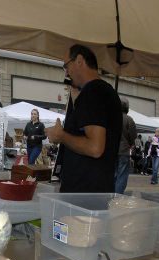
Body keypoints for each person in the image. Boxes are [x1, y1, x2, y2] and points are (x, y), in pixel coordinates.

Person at [45, 44, 122, 193]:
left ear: (79, 60)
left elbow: (95, 148)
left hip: (83, 194)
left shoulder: (93, 91)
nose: (66, 72)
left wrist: (61, 136)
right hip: (95, 191)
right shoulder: (103, 91)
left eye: (66, 66)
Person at [114, 97, 136, 194]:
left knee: (113, 174)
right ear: (127, 108)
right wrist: (130, 144)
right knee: (122, 175)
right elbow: (133, 136)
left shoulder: (112, 118)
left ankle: (110, 195)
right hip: (123, 151)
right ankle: (117, 197)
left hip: (112, 151)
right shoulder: (129, 120)